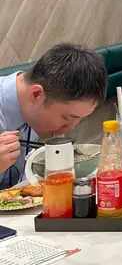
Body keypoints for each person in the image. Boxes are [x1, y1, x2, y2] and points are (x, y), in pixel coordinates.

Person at [0, 44, 108, 190]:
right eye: (66, 118)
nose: (69, 128)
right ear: (36, 94)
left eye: (79, 119)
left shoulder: (31, 110)